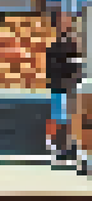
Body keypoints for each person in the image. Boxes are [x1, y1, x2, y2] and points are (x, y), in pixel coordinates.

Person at [46, 11, 83, 164]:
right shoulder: (56, 46)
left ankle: (67, 148)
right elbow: (54, 68)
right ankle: (61, 148)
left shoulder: (72, 44)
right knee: (61, 119)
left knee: (70, 119)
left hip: (69, 87)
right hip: (61, 87)